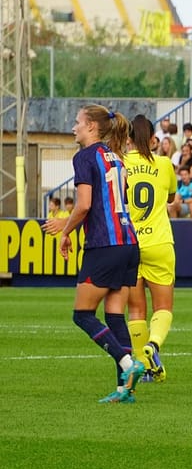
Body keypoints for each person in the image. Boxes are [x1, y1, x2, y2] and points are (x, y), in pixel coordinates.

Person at [42, 105, 145, 403]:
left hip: (104, 245)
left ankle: (128, 365)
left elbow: (85, 204)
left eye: (77, 122)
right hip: (128, 242)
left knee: (83, 314)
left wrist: (65, 231)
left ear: (91, 127)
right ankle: (126, 390)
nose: (73, 128)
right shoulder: (116, 158)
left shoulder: (85, 157)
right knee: (115, 316)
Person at [123, 115, 178, 383]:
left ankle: (144, 367)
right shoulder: (165, 164)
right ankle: (154, 344)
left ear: (128, 139)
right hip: (159, 241)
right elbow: (171, 198)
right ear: (153, 139)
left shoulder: (122, 163)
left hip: (130, 243)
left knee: (135, 310)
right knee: (163, 306)